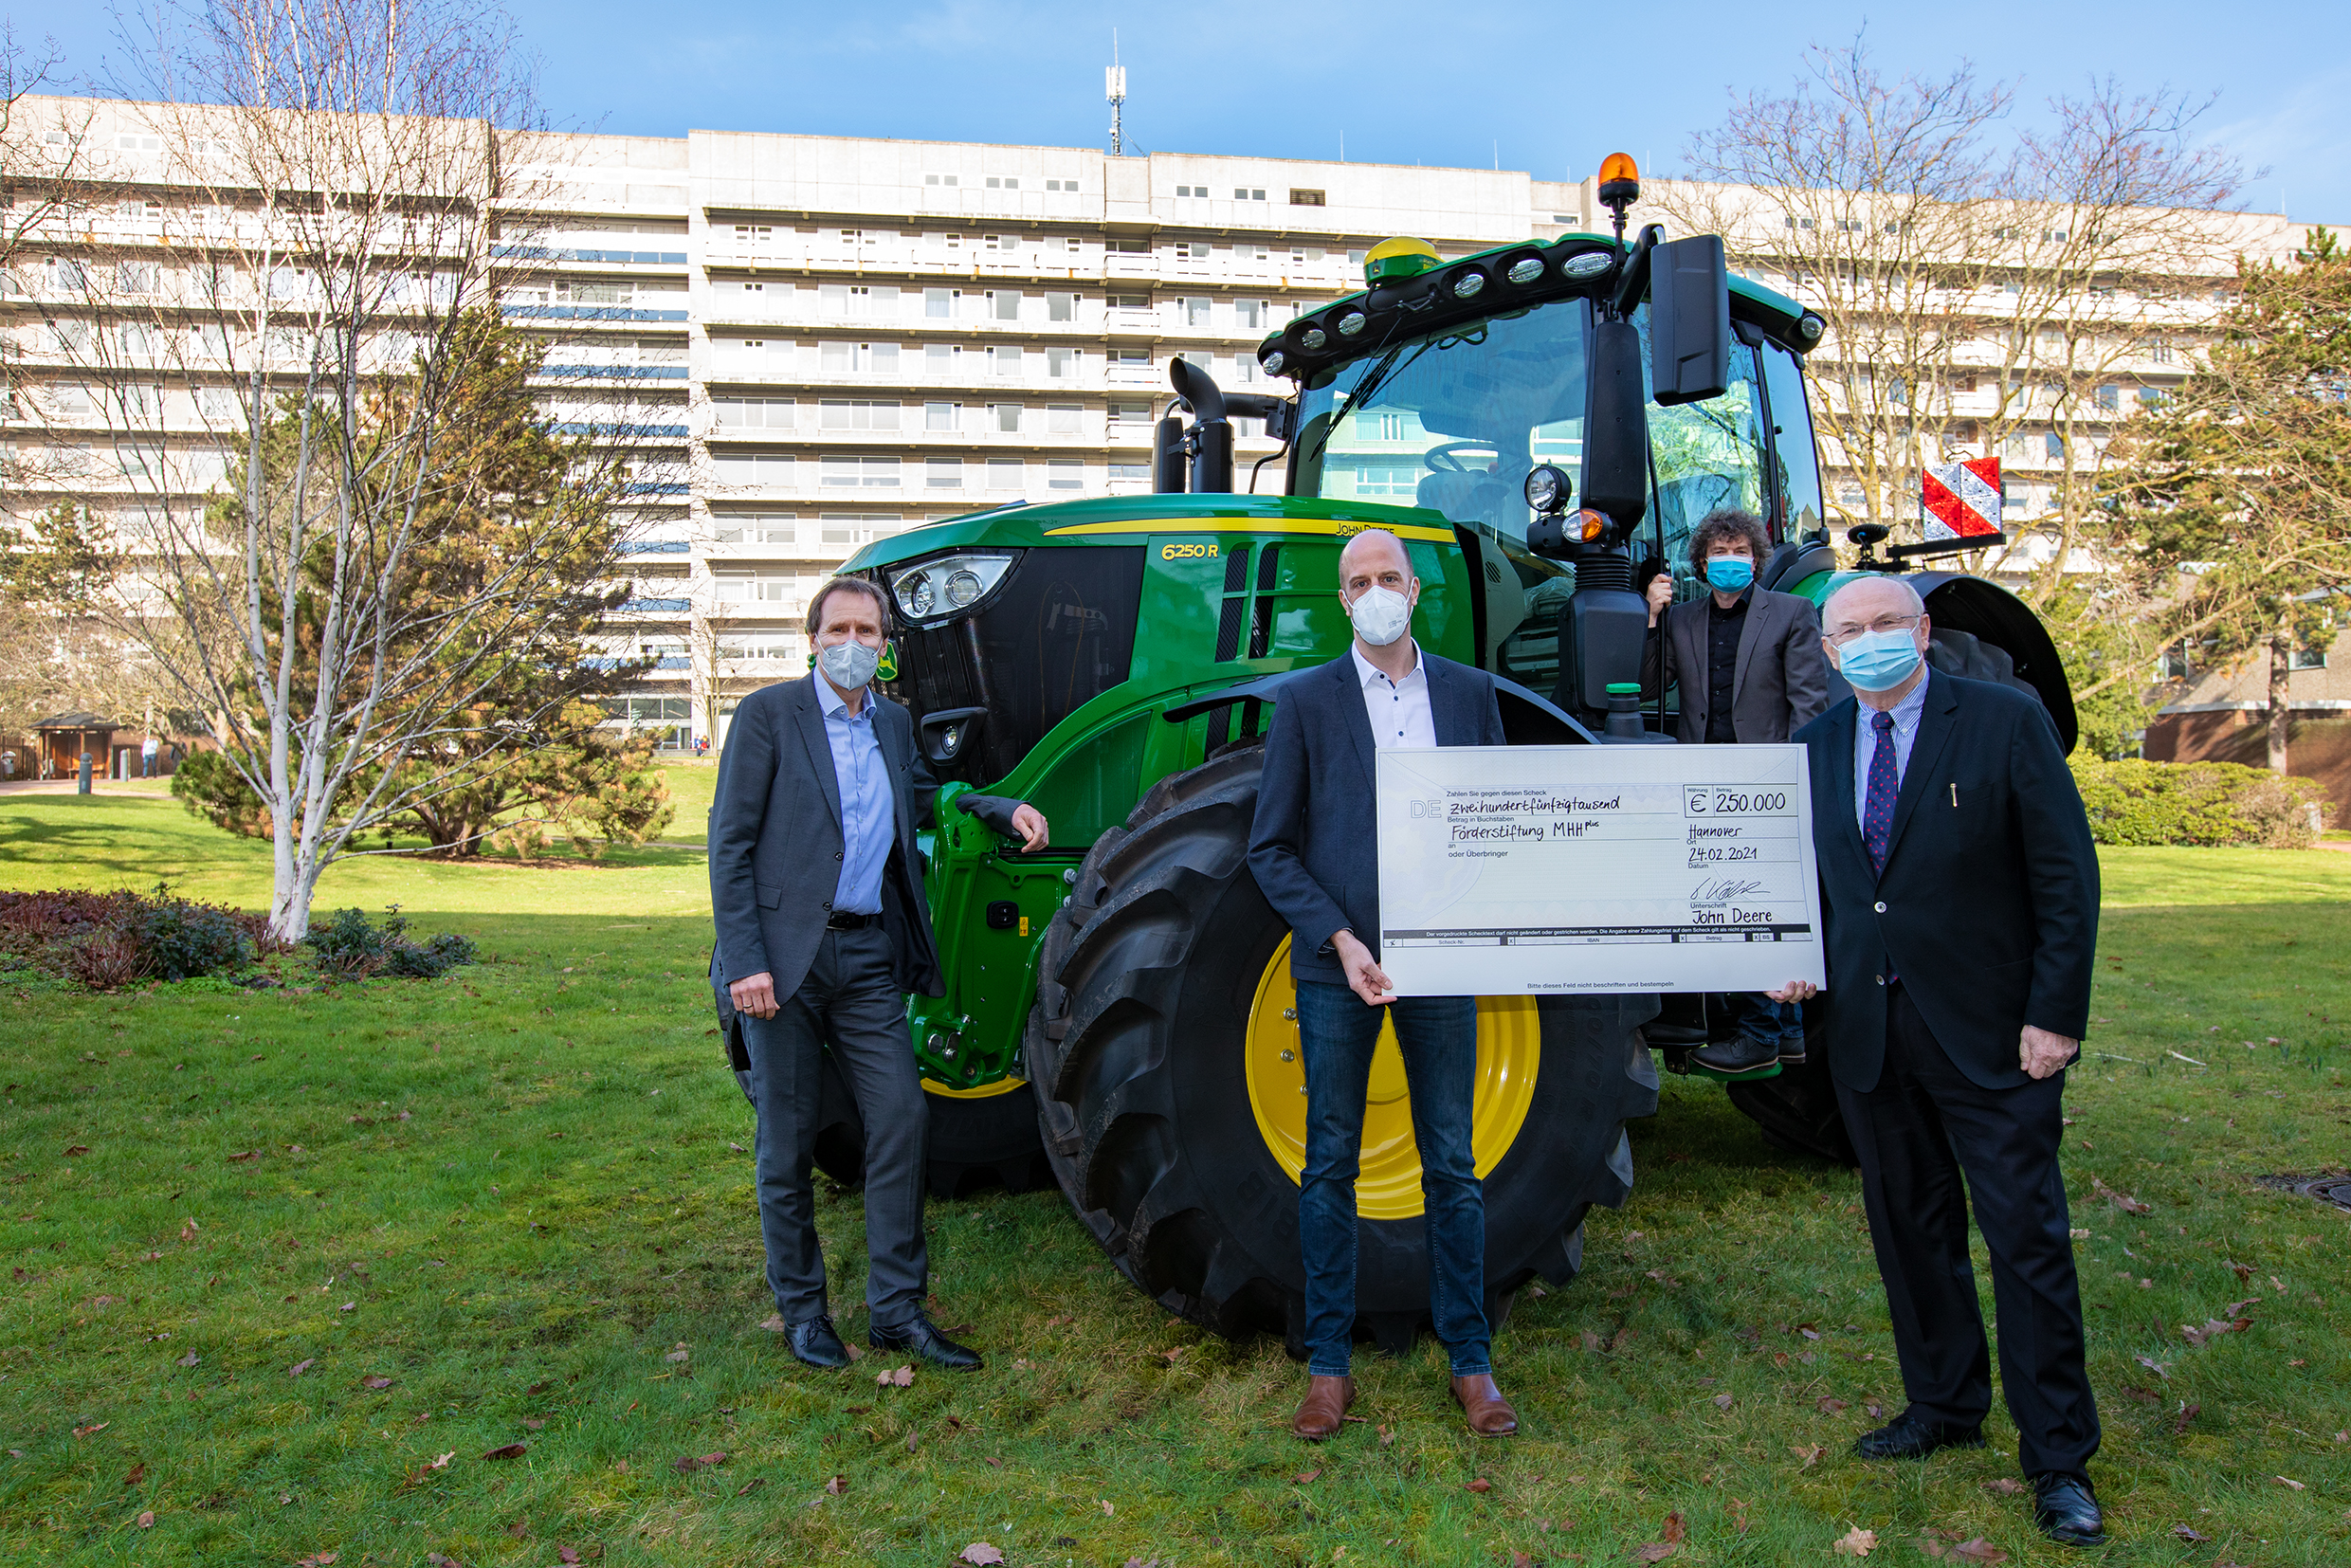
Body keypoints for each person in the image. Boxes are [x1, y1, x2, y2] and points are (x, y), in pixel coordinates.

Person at [1771, 574, 2105, 1548]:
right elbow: (1822, 888)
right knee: (1908, 1231)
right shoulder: (1814, 746)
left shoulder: (2001, 721)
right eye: (1849, 631)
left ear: (1919, 630)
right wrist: (1793, 962)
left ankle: (2056, 1456)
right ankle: (1943, 1405)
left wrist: (2053, 1015)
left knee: (2024, 1244)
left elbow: (2063, 874)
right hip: (1872, 1036)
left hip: (1994, 1034)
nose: (1868, 641)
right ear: (1827, 652)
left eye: (1885, 624)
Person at [708, 574, 1048, 1373]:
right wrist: (747, 962)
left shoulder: (892, 724)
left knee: (900, 1119)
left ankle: (897, 1311)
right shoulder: (767, 717)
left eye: (869, 633)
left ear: (886, 647)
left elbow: (927, 800)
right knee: (786, 1142)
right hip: (783, 963)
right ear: (813, 638)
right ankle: (802, 1312)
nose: (854, 645)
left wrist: (997, 808)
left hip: (865, 957)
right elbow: (729, 845)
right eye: (840, 631)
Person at [1247, 528, 1519, 1443]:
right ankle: (1329, 1368)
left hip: (1442, 967)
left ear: (1414, 590)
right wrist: (1339, 935)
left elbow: (1502, 825)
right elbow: (1270, 848)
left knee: (1453, 1163)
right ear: (1342, 600)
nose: (1375, 591)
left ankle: (1471, 1363)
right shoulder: (1306, 704)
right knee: (1329, 1163)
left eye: (1388, 578)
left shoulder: (1472, 696)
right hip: (1340, 970)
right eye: (1357, 581)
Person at [1642, 506, 1832, 1075]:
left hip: (1764, 778)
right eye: (1719, 553)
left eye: (1740, 552)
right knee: (1727, 898)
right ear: (1701, 561)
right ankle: (1788, 1032)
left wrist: (1797, 777)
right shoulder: (1683, 617)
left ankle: (1760, 1032)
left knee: (1755, 901)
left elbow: (1808, 701)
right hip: (1702, 778)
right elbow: (1653, 685)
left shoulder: (1793, 613)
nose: (1730, 561)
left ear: (1756, 558)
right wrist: (1652, 618)